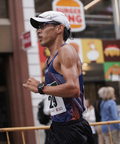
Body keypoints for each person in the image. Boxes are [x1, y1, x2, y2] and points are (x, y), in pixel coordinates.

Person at [23, 11, 94, 144]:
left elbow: (73, 89)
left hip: (72, 128)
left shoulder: (66, 51)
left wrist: (41, 88)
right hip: (57, 125)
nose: (39, 31)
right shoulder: (50, 60)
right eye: (37, 28)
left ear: (59, 28)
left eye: (43, 25)